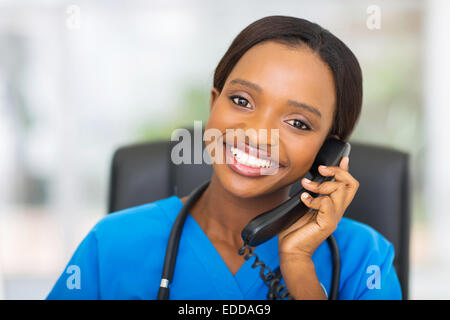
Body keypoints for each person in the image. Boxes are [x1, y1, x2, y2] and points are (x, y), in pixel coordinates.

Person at [47, 15, 402, 300]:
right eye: (242, 101)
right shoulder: (111, 244)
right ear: (214, 103)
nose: (256, 134)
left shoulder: (365, 259)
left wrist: (298, 268)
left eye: (297, 122)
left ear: (329, 150)